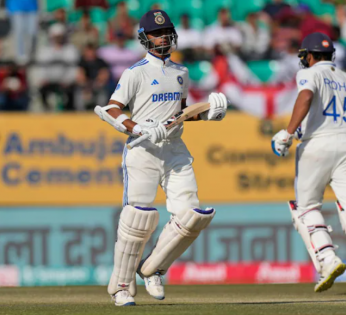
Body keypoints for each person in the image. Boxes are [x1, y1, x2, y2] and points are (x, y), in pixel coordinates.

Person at [95, 10, 228, 306]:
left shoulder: (181, 72)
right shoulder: (135, 72)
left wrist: (207, 114)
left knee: (191, 216)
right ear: (144, 38)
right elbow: (113, 109)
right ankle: (121, 287)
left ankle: (153, 268)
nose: (164, 37)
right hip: (142, 150)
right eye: (157, 33)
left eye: (167, 31)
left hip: (175, 150)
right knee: (138, 220)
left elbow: (180, 116)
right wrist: (139, 126)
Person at [271, 33, 346, 294]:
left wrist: (289, 132)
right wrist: (336, 125)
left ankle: (328, 260)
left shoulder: (309, 74)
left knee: (306, 208)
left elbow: (306, 97)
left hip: (317, 146)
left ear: (309, 56)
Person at [37, 23, 79, 111]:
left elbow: (73, 69)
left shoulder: (70, 49)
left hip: (65, 83)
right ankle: (46, 111)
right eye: (56, 36)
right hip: (48, 82)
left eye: (60, 36)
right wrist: (44, 79)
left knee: (70, 93)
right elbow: (41, 69)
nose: (58, 39)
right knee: (42, 91)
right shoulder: (44, 50)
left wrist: (67, 81)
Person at [74, 43, 110, 110]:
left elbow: (104, 74)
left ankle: (101, 110)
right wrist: (86, 85)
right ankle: (80, 112)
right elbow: (80, 75)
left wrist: (97, 83)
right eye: (88, 51)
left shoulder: (100, 62)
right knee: (79, 91)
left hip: (97, 84)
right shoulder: (82, 62)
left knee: (102, 91)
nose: (90, 53)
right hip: (85, 86)